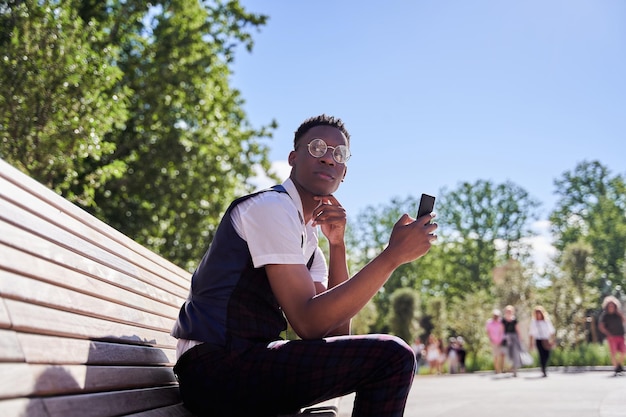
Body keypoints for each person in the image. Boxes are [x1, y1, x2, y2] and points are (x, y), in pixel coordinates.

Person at [170, 114, 438, 417]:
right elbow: (308, 322)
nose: (327, 158)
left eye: (338, 154)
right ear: (293, 158)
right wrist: (391, 257)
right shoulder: (271, 208)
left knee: (389, 358)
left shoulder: (309, 243)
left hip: (248, 363)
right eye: (317, 148)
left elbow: (334, 332)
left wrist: (338, 246)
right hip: (215, 370)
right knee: (392, 356)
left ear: (344, 172)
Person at [598, 295, 626, 375]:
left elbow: (624, 320)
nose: (611, 307)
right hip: (612, 337)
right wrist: (608, 334)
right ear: (606, 306)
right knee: (613, 353)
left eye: (612, 305)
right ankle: (616, 368)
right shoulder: (605, 315)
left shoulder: (618, 314)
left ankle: (619, 365)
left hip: (620, 336)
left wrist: (620, 314)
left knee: (624, 351)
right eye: (609, 305)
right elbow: (601, 326)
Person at [528, 305, 556, 377]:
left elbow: (552, 331)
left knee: (547, 354)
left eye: (539, 313)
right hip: (538, 340)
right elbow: (531, 333)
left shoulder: (546, 321)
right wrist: (531, 343)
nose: (538, 315)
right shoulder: (534, 322)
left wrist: (552, 340)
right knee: (541, 355)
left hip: (545, 339)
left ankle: (544, 366)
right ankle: (543, 369)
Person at [502, 305, 523, 377]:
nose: (509, 312)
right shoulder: (503, 320)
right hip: (507, 338)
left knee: (515, 353)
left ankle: (515, 369)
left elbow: (517, 329)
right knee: (509, 354)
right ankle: (509, 367)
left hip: (514, 338)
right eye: (507, 311)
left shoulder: (514, 320)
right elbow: (502, 330)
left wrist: (519, 338)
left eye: (510, 311)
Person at [485, 309, 506, 374]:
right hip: (493, 341)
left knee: (502, 355)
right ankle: (496, 370)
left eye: (497, 315)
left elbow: (502, 331)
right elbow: (488, 332)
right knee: (495, 356)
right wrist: (490, 339)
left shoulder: (501, 322)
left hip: (501, 341)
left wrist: (501, 339)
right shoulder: (489, 322)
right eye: (495, 315)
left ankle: (502, 369)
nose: (496, 317)